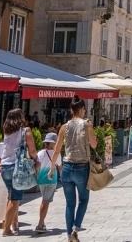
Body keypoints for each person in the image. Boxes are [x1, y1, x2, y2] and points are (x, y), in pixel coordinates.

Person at [49, 96, 97, 242]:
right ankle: (76, 228)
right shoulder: (87, 124)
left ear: (71, 110)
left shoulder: (64, 127)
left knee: (70, 203)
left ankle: (69, 235)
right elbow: (94, 145)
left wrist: (52, 169)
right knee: (83, 200)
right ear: (82, 109)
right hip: (82, 167)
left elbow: (57, 149)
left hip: (67, 167)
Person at [0, 108, 37, 237]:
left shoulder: (6, 132)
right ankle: (6, 229)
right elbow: (32, 150)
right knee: (15, 198)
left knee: (11, 196)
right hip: (17, 167)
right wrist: (36, 159)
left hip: (4, 166)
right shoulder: (25, 131)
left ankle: (14, 224)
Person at [35, 132, 62, 234]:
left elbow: (37, 166)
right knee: (45, 202)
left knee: (44, 200)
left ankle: (42, 223)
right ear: (54, 143)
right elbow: (59, 166)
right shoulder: (57, 153)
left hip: (41, 180)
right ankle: (40, 224)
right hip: (51, 180)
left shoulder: (40, 153)